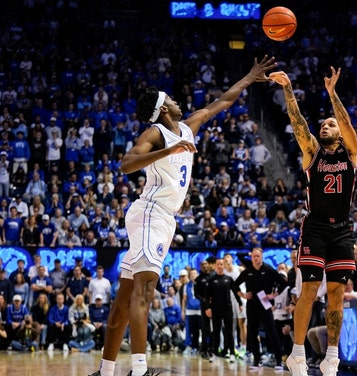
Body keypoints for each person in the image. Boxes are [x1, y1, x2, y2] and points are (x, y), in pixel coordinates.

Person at [90, 55, 276, 376]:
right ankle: (138, 370)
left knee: (124, 299)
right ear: (164, 108)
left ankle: (106, 372)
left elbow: (223, 101)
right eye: (172, 100)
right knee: (144, 291)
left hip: (162, 217)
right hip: (151, 214)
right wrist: (168, 152)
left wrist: (248, 77)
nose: (178, 102)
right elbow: (126, 164)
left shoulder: (188, 128)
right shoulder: (156, 134)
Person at [270, 66, 357, 376]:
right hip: (316, 226)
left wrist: (332, 95)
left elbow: (346, 122)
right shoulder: (313, 153)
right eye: (323, 124)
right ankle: (296, 355)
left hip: (343, 229)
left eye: (330, 124)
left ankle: (331, 357)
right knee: (309, 289)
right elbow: (298, 124)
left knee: (336, 293)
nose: (325, 126)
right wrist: (288, 88)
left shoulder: (351, 153)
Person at [232, 248, 288, 371]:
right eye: (253, 256)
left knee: (272, 333)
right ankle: (257, 361)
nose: (256, 258)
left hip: (265, 305)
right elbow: (234, 284)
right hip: (251, 306)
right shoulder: (248, 272)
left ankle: (279, 362)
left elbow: (283, 283)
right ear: (251, 258)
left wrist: (274, 295)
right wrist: (242, 295)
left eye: (258, 256)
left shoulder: (268, 270)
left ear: (262, 257)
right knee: (252, 334)